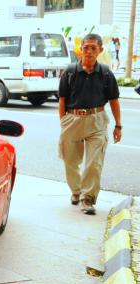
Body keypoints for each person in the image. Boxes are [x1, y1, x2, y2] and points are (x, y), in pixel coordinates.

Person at [58, 33, 122, 215]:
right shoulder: (70, 72)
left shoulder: (106, 73)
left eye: (94, 48)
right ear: (81, 49)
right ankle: (76, 191)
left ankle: (88, 198)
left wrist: (118, 125)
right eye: (86, 47)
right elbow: (62, 99)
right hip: (72, 120)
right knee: (70, 161)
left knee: (94, 163)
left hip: (97, 120)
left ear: (100, 50)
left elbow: (114, 101)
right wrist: (63, 122)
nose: (89, 51)